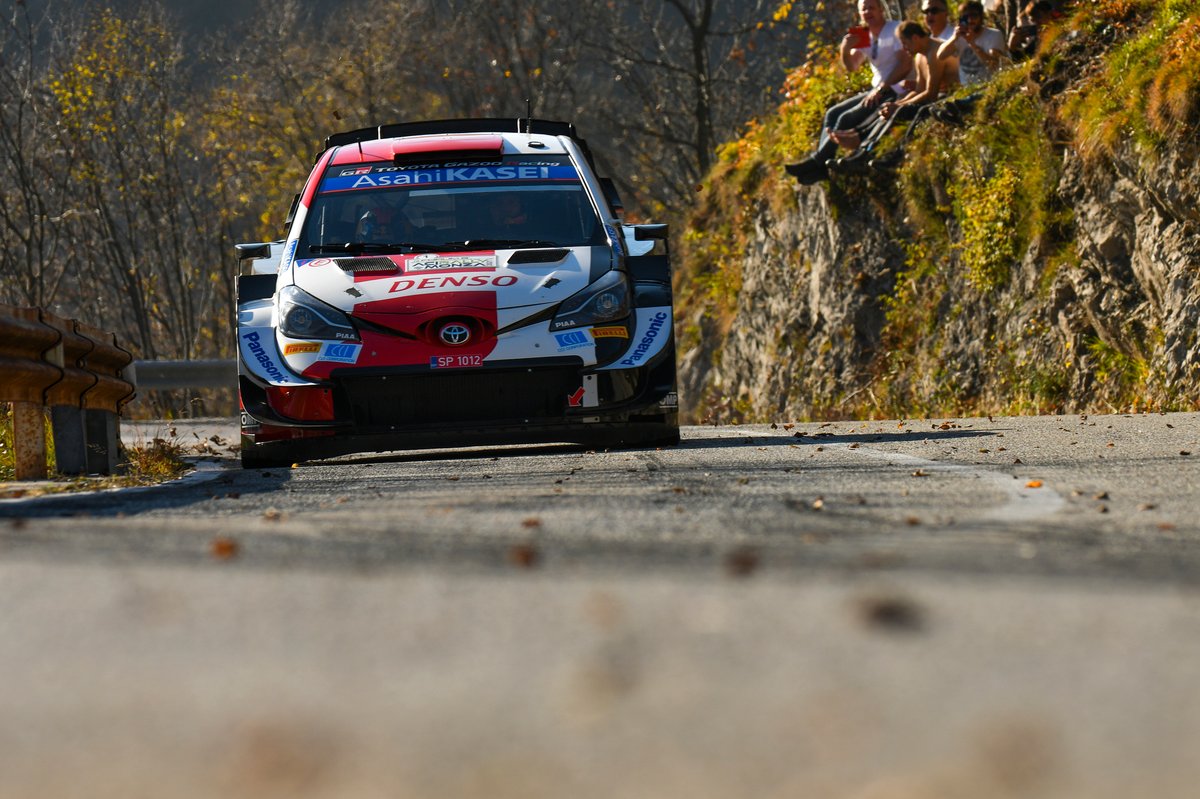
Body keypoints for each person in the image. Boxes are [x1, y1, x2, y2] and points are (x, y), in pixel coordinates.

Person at [784, 0, 913, 185]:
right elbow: (852, 66)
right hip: (877, 88)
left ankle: (818, 162)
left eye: (872, 7)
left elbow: (905, 64)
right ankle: (820, 165)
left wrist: (882, 87)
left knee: (846, 119)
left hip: (895, 88)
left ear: (881, 10)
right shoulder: (863, 35)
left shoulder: (894, 30)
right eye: (864, 9)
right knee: (832, 113)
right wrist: (845, 49)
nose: (868, 12)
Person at [828, 20, 948, 174]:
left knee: (899, 111)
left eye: (905, 44)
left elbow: (930, 94)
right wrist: (898, 103)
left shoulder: (934, 53)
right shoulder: (920, 56)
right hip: (935, 95)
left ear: (916, 38)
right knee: (891, 108)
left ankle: (878, 154)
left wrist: (898, 106)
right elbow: (920, 90)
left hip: (947, 95)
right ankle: (863, 149)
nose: (904, 49)